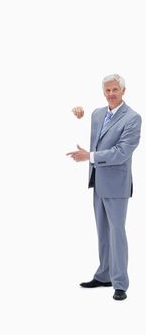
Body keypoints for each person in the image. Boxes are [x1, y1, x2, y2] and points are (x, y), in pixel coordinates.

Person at [67, 74, 141, 301]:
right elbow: (95, 133)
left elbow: (121, 152)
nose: (111, 94)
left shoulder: (133, 118)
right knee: (102, 232)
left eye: (115, 90)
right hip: (98, 181)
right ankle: (104, 274)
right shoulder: (98, 114)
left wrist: (90, 157)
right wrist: (78, 112)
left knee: (117, 233)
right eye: (107, 90)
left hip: (117, 184)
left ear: (123, 91)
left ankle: (120, 283)